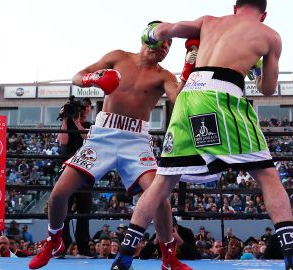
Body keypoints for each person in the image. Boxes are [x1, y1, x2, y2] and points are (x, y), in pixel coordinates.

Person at [114, 1, 293, 269]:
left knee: (163, 182)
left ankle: (124, 255)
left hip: (187, 99)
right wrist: (255, 69)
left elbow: (163, 31)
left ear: (234, 7)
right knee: (267, 175)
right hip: (221, 96)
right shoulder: (270, 36)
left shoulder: (208, 21)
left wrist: (150, 33)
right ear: (263, 15)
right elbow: (267, 88)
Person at [29, 21, 193, 270]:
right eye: (165, 39)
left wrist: (189, 68)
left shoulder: (164, 76)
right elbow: (76, 77)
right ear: (148, 37)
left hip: (136, 141)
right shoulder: (118, 57)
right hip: (102, 136)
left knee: (160, 198)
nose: (167, 46)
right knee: (59, 194)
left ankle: (169, 257)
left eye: (171, 43)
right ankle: (54, 241)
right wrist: (95, 79)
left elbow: (180, 101)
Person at [57, 96, 94, 256]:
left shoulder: (91, 125)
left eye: (86, 107)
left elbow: (89, 140)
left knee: (84, 212)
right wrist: (66, 118)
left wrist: (78, 122)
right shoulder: (67, 124)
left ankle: (83, 248)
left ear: (90, 109)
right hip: (67, 169)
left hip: (85, 171)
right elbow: (63, 142)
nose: (84, 109)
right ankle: (62, 247)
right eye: (82, 106)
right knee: (63, 211)